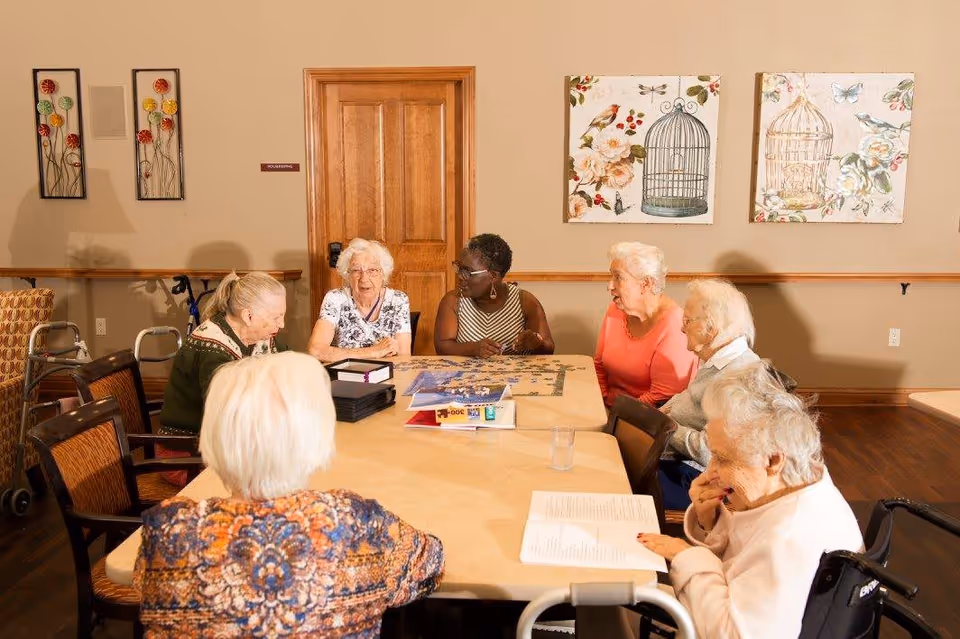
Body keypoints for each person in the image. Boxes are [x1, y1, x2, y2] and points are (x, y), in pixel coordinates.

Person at [135, 352, 445, 637]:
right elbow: (430, 562)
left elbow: (145, 588)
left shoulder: (169, 532)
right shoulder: (359, 523)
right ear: (317, 435)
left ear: (214, 434)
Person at [637, 361, 863, 639]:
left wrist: (688, 555)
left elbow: (733, 635)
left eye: (722, 458)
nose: (710, 473)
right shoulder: (803, 486)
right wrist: (713, 522)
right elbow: (747, 559)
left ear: (773, 460)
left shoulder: (787, 539)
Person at [156, 271, 288, 486]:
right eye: (276, 317)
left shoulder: (259, 336)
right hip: (187, 457)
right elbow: (229, 420)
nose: (281, 324)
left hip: (227, 447)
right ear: (248, 316)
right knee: (280, 481)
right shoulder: (214, 350)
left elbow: (289, 368)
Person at [658, 279, 760, 509]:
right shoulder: (719, 361)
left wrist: (664, 425)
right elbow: (689, 398)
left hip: (696, 480)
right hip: (673, 462)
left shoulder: (737, 377)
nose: (682, 328)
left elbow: (708, 450)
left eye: (687, 320)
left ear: (711, 329)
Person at [594, 242, 697, 407]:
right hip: (607, 411)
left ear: (646, 284)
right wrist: (600, 407)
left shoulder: (676, 327)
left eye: (618, 277)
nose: (610, 286)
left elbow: (662, 398)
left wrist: (615, 417)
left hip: (646, 421)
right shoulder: (615, 310)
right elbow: (598, 367)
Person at [435, 233, 554, 357]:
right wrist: (472, 349)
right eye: (459, 268)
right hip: (464, 376)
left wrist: (536, 343)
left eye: (467, 271)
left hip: (515, 375)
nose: (459, 276)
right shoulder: (452, 301)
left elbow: (549, 349)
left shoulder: (525, 302)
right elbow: (441, 347)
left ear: (493, 276)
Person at [307, 238, 412, 361]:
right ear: (347, 274)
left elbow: (403, 357)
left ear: (383, 274)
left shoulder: (398, 300)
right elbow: (315, 351)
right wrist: (373, 352)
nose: (364, 278)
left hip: (387, 376)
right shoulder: (335, 299)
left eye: (372, 270)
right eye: (356, 270)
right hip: (344, 376)